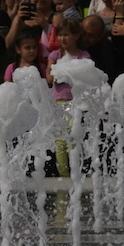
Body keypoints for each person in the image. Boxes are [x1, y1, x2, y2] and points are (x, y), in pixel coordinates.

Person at [46, 18, 91, 177]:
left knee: (74, 136)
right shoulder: (55, 55)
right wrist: (61, 72)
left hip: (76, 103)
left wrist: (66, 73)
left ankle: (76, 174)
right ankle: (63, 175)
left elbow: (87, 78)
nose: (62, 38)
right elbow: (50, 79)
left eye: (66, 35)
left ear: (76, 36)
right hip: (58, 102)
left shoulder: (83, 56)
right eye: (60, 35)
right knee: (59, 142)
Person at [5, 0, 56, 66]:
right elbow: (7, 44)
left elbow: (60, 42)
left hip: (45, 66)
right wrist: (17, 19)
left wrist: (46, 26)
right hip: (20, 65)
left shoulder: (55, 17)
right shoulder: (21, 17)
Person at [81, 14, 116, 82]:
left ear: (100, 37)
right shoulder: (75, 41)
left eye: (90, 36)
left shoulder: (106, 52)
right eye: (83, 33)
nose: (85, 38)